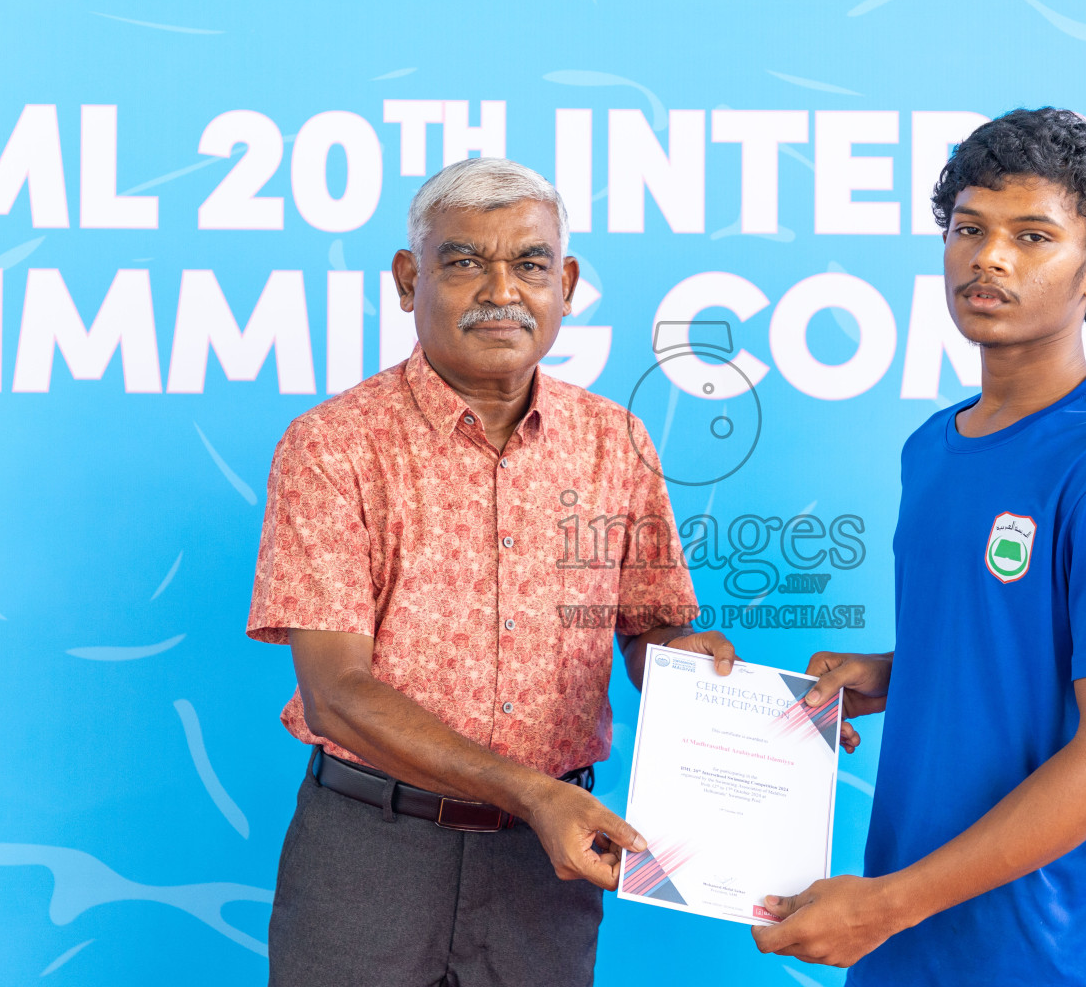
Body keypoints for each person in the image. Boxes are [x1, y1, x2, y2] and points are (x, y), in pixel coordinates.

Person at [247, 157, 735, 987]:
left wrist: (711, 679)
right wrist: (530, 793)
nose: (501, 289)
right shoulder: (330, 447)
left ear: (568, 283)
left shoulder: (615, 442)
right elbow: (336, 692)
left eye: (531, 263)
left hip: (546, 869)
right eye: (465, 260)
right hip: (370, 853)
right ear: (409, 279)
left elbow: (652, 630)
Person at [752, 108, 1086, 986]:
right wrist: (897, 671)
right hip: (913, 940)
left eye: (1032, 236)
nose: (988, 257)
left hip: (1053, 953)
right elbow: (1011, 638)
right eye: (970, 229)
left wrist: (882, 906)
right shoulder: (933, 447)